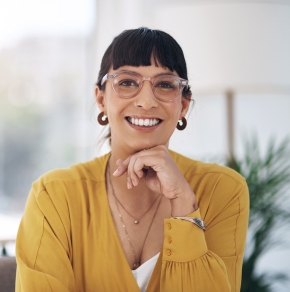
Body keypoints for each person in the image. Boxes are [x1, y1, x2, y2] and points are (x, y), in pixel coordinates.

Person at [15, 27, 249, 292]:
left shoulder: (223, 190)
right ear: (101, 98)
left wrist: (184, 206)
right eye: (127, 82)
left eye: (164, 84)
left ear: (183, 105)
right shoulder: (53, 196)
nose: (146, 101)